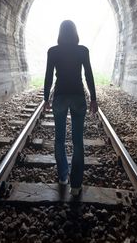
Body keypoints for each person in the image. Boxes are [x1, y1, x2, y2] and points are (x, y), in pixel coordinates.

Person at [43, 20, 98, 196]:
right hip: (78, 97)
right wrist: (93, 99)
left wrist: (46, 99)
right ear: (75, 33)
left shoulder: (53, 51)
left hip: (59, 97)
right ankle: (76, 186)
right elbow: (88, 74)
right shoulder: (82, 51)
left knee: (59, 140)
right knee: (78, 141)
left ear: (60, 33)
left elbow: (48, 77)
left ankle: (63, 177)